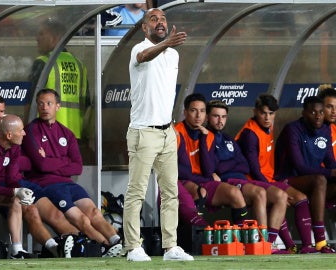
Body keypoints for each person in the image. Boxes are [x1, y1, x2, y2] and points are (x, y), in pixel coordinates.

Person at [123, 8, 193, 262]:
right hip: (143, 131)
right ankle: (132, 247)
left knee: (170, 192)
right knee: (136, 192)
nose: (160, 22)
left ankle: (171, 246)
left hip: (167, 131)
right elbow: (143, 56)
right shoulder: (139, 49)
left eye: (162, 19)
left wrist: (168, 45)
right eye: (153, 19)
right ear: (144, 27)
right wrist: (166, 43)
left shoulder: (173, 54)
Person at [22, 88, 122, 257]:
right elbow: (42, 165)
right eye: (41, 104)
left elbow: (77, 167)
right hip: (49, 184)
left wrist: (51, 160)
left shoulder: (67, 133)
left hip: (69, 183)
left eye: (49, 103)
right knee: (81, 219)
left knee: (95, 213)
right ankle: (103, 247)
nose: (45, 107)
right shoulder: (31, 130)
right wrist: (63, 162)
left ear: (58, 107)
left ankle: (117, 242)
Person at [0, 92, 78, 258]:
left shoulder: (14, 138)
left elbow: (24, 164)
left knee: (43, 211)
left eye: (2, 111)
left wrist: (21, 182)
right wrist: (38, 162)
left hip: (11, 182)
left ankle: (61, 246)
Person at [206, 99, 313, 254]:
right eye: (216, 116)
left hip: (241, 179)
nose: (220, 120)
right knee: (261, 193)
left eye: (223, 117)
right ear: (208, 117)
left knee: (281, 196)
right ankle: (263, 243)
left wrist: (227, 164)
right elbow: (216, 166)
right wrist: (229, 164)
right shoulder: (208, 137)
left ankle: (269, 244)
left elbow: (243, 164)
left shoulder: (228, 138)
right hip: (228, 182)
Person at [236, 93, 332, 253]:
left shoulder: (267, 127)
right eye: (263, 113)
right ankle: (270, 245)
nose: (267, 117)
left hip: (268, 178)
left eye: (271, 114)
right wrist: (272, 186)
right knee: (281, 196)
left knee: (301, 199)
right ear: (254, 111)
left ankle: (304, 246)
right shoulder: (250, 134)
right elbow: (253, 168)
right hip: (253, 180)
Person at [175, 94, 250, 229]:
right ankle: (197, 237)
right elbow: (182, 170)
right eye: (193, 110)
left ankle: (241, 239)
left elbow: (209, 169)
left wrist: (203, 139)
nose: (198, 115)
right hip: (183, 181)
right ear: (185, 113)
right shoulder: (177, 132)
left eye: (202, 111)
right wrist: (207, 177)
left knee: (235, 193)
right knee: (200, 192)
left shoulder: (208, 135)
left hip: (202, 179)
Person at [274, 95, 336, 253]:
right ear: (304, 113)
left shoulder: (325, 130)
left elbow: (330, 162)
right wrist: (331, 172)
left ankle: (319, 207)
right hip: (287, 179)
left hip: (312, 181)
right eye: (313, 112)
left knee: (321, 180)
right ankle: (321, 241)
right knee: (320, 180)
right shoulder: (293, 129)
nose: (318, 116)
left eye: (321, 112)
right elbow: (300, 167)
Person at [0, 114, 36, 259]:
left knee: (16, 199)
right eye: (21, 130)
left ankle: (17, 249)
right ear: (9, 135)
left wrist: (20, 191)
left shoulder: (15, 147)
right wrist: (13, 190)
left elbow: (11, 178)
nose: (24, 133)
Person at [28, 18, 89, 140]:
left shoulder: (42, 62)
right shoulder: (79, 65)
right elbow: (86, 104)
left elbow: (30, 104)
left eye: (41, 34)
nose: (37, 38)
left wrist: (28, 133)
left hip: (49, 134)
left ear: (55, 37)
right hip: (74, 135)